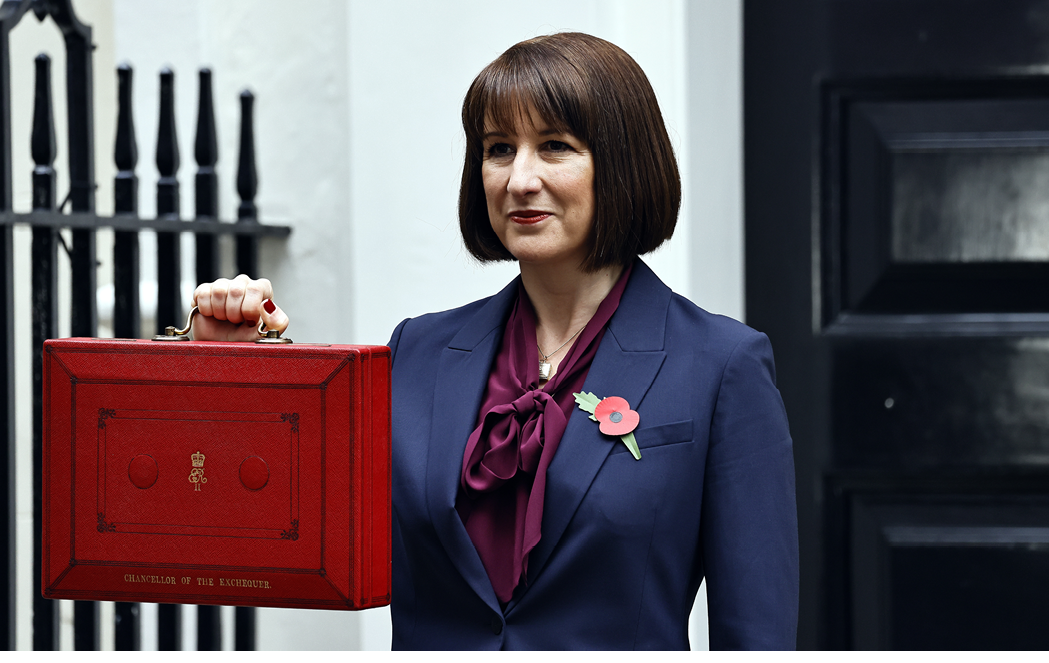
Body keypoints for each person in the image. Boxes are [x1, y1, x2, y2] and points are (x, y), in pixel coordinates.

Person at [192, 32, 798, 650]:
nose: (520, 179)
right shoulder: (417, 352)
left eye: (555, 147)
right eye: (499, 149)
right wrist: (225, 368)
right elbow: (274, 516)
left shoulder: (722, 366)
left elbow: (756, 631)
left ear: (622, 163)